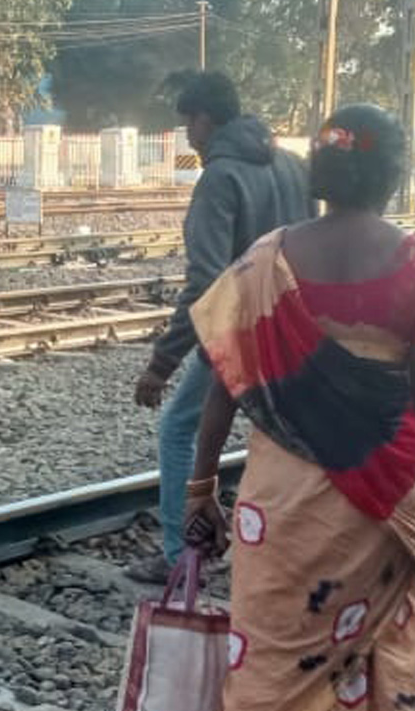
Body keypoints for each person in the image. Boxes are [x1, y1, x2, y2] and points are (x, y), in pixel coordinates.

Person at [183, 104, 415, 711]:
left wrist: (200, 491)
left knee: (276, 649)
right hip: (384, 493)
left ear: (321, 172)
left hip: (281, 502)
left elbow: (225, 382)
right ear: (396, 171)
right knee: (390, 641)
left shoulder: (265, 261)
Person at [127, 71, 315, 584]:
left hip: (237, 330)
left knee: (178, 430)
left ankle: (178, 555)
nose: (188, 133)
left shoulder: (220, 178)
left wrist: (161, 362)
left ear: (205, 119)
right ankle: (282, 550)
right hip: (294, 331)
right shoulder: (293, 166)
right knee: (280, 438)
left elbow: (206, 282)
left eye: (188, 121)